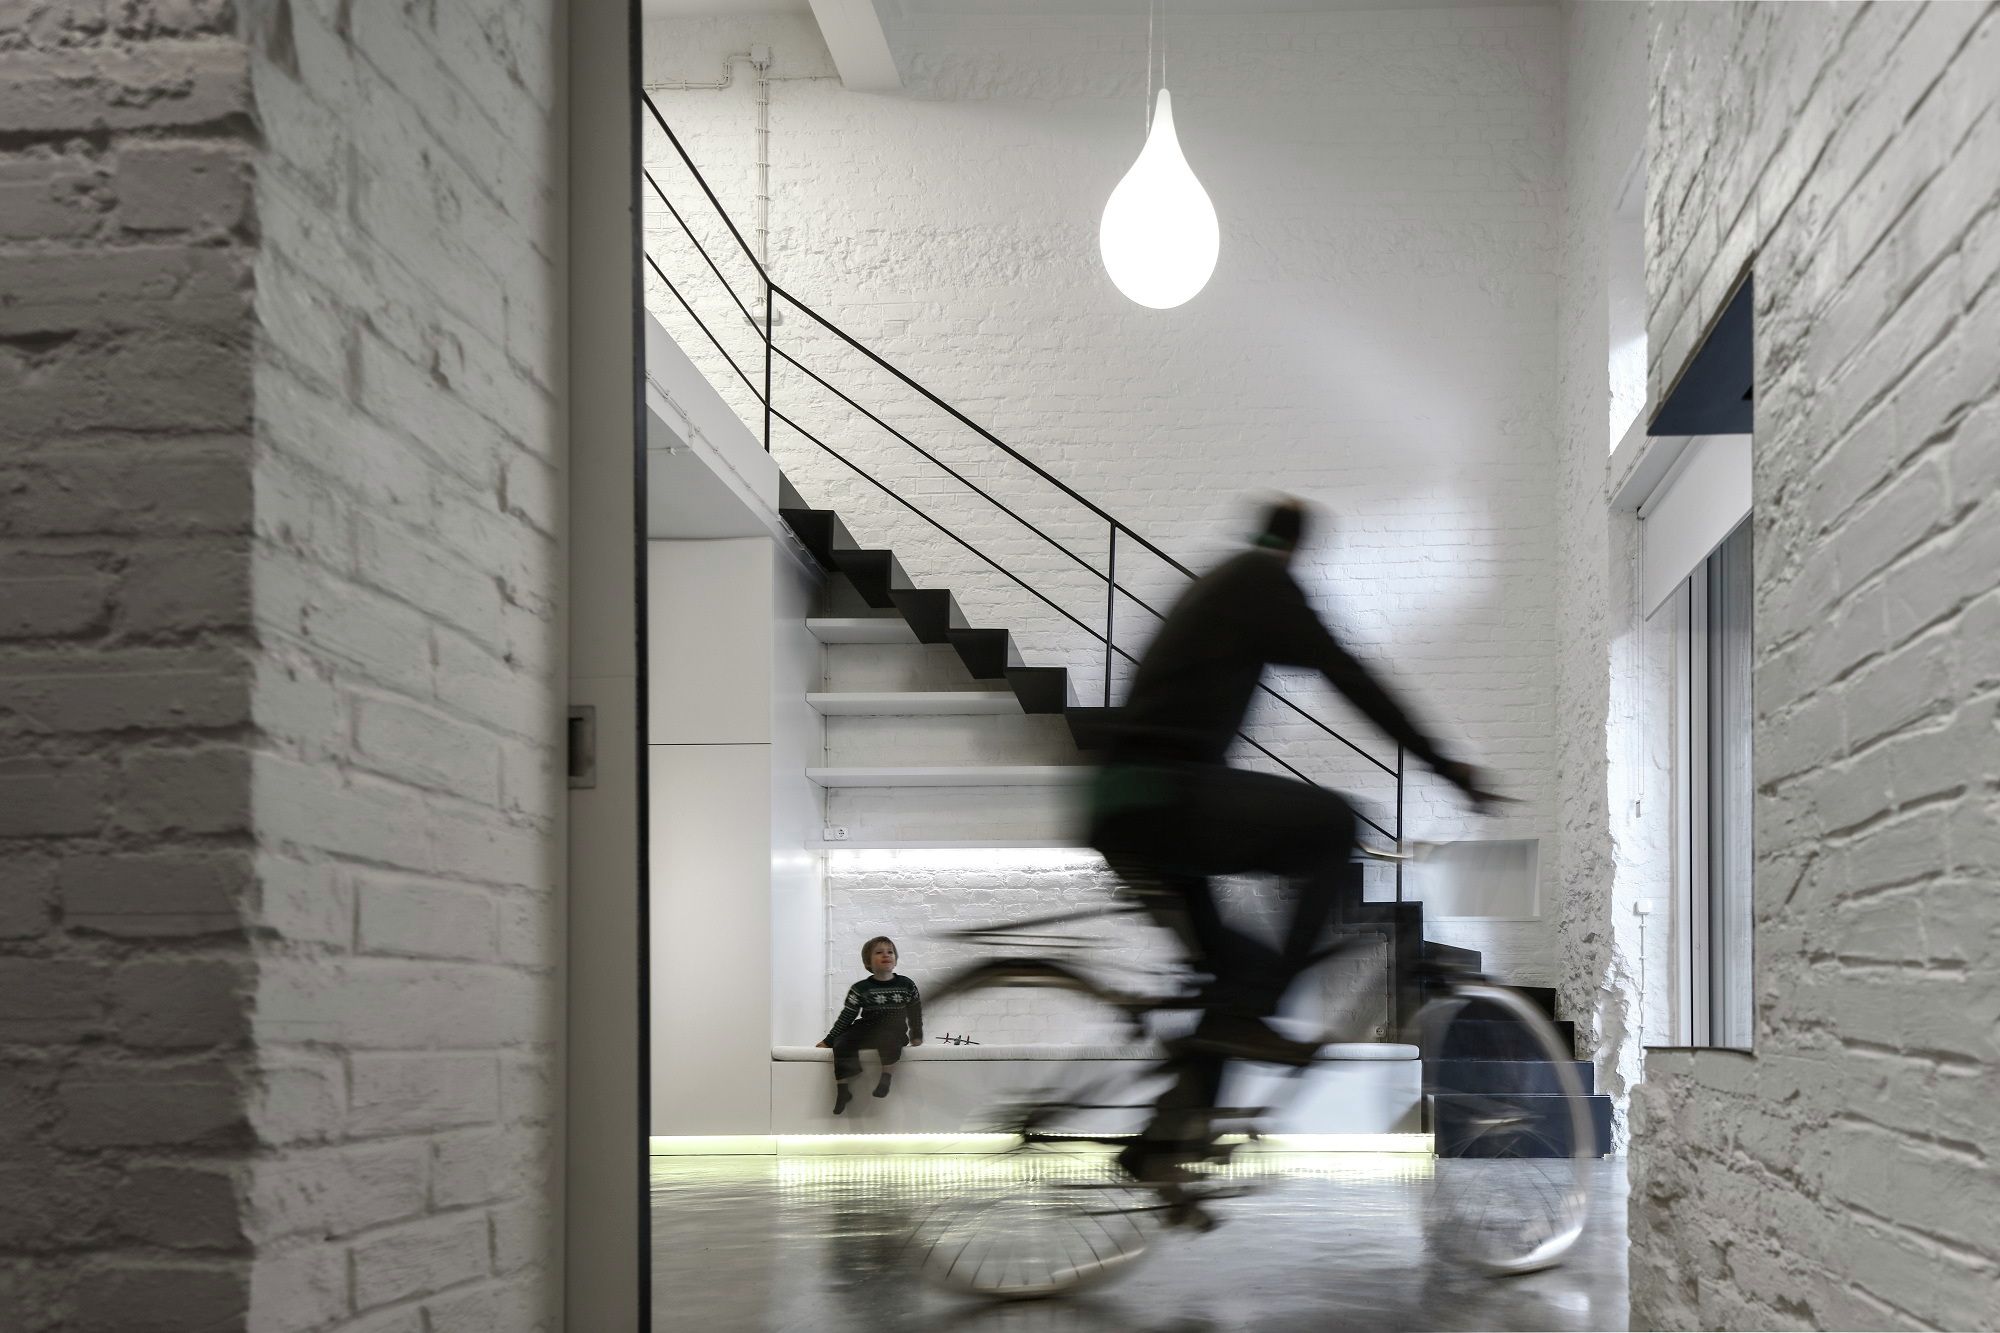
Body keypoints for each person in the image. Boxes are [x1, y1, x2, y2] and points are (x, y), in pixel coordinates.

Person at [1086, 497, 1495, 1179]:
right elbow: (1351, 677)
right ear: (1298, 547)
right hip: (1163, 795)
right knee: (1334, 824)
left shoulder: (1222, 582)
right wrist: (1446, 766)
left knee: (1236, 973)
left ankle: (1163, 1145)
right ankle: (1254, 1017)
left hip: (1128, 804)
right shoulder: (1262, 582)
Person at [817, 936, 924, 1115]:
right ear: (868, 962)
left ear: (895, 959)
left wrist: (916, 1034)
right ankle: (843, 1089)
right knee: (842, 1041)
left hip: (894, 1029)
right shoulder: (861, 988)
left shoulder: (906, 985)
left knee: (889, 1039)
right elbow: (847, 1016)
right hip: (867, 1027)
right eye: (879, 952)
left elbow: (915, 1011)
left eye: (890, 952)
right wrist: (829, 1040)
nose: (886, 955)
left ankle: (886, 1077)